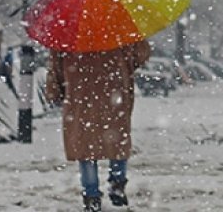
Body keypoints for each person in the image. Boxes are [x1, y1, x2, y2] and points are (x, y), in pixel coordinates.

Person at [45, 40, 151, 212]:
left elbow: (55, 67)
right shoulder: (118, 28)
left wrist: (54, 91)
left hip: (80, 96)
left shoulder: (69, 33)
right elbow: (141, 55)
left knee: (85, 146)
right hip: (114, 93)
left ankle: (91, 194)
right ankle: (117, 184)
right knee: (117, 141)